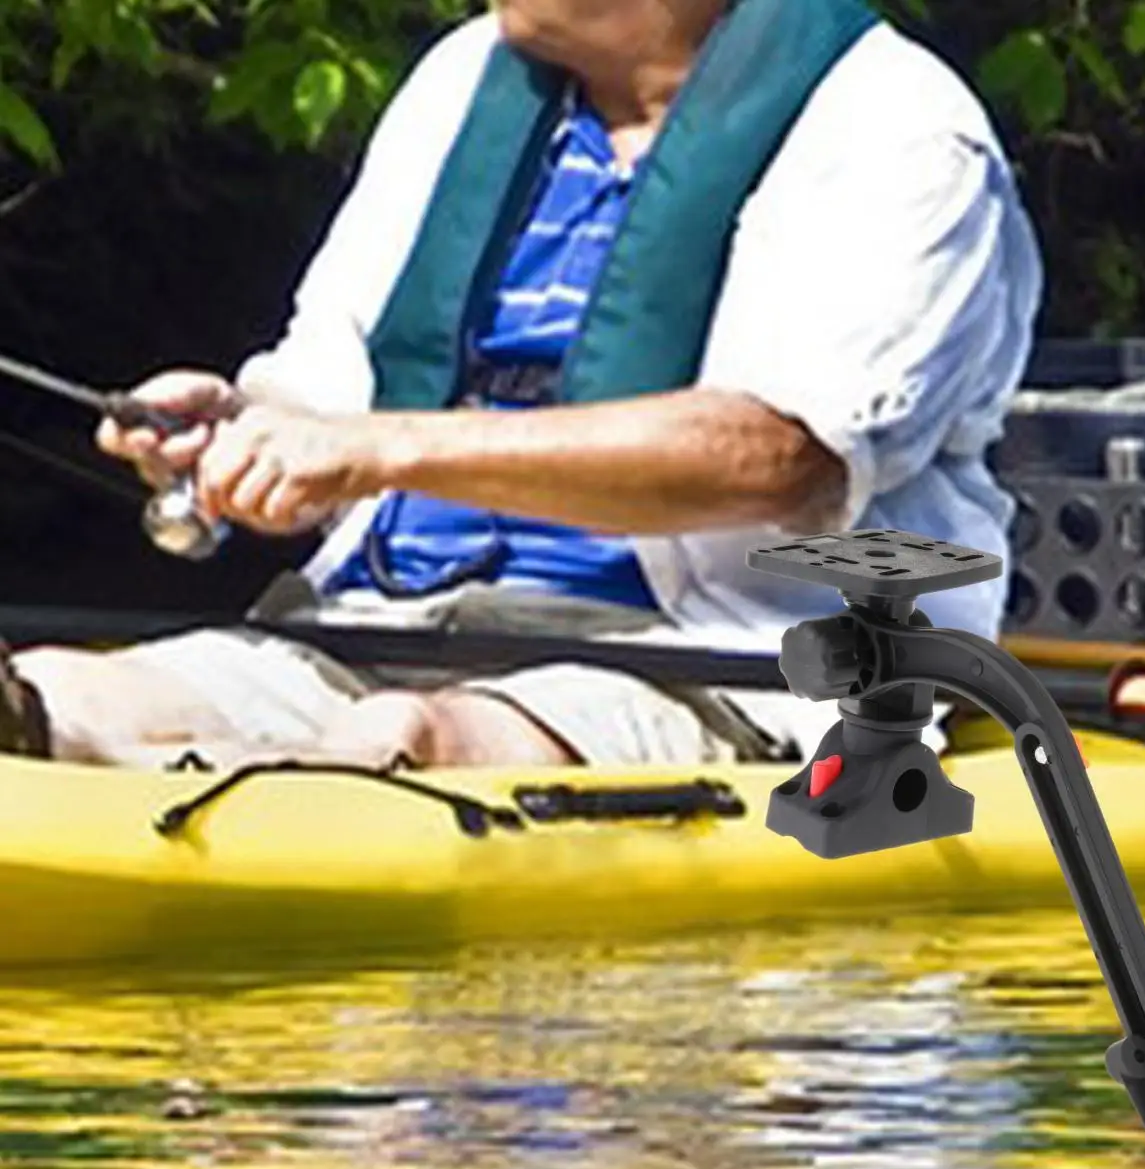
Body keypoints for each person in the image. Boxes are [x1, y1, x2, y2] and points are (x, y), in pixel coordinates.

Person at [7, 0, 1043, 771]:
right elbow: (331, 398)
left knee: (396, 742)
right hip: (382, 626)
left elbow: (780, 460)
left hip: (727, 660)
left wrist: (375, 449)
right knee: (45, 695)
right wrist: (243, 432)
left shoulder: (896, 130)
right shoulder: (464, 80)